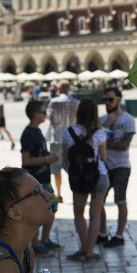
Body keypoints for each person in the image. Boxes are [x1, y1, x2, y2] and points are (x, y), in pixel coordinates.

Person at [61, 98, 109, 263]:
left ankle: (83, 247)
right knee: (95, 215)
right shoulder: (100, 133)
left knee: (78, 213)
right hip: (98, 176)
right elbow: (103, 158)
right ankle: (90, 251)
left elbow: (66, 159)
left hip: (78, 177)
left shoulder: (68, 132)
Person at [97, 86, 136, 248]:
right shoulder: (101, 119)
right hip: (104, 166)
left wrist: (107, 143)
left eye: (110, 99)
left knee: (120, 200)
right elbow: (97, 143)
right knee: (99, 202)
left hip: (121, 165)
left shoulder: (128, 119)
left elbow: (125, 145)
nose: (107, 102)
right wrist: (107, 126)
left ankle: (119, 235)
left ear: (119, 100)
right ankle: (103, 233)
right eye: (105, 100)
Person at [20, 100, 60, 256]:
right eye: (43, 112)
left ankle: (45, 239)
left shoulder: (37, 131)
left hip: (44, 179)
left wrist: (49, 156)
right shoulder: (28, 134)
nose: (45, 114)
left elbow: (39, 154)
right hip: (34, 181)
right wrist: (47, 159)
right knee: (37, 213)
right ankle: (35, 242)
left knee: (52, 208)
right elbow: (26, 160)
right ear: (35, 114)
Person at [46, 80, 79, 203]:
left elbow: (48, 116)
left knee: (56, 168)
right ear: (69, 89)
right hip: (71, 140)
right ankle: (76, 192)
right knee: (72, 168)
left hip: (56, 139)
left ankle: (59, 194)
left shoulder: (54, 102)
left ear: (58, 89)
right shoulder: (76, 103)